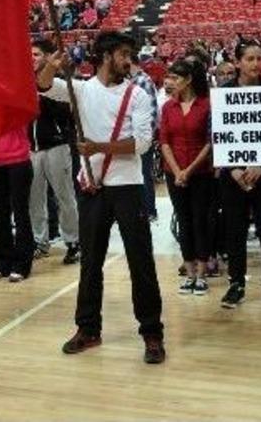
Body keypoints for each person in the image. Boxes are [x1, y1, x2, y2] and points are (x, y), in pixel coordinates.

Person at [37, 31, 164, 364]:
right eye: (123, 54)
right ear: (106, 56)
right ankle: (88, 329)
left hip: (128, 186)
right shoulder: (80, 89)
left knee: (141, 261)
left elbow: (141, 144)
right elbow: (45, 86)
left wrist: (98, 148)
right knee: (91, 261)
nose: (129, 60)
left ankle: (152, 333)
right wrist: (52, 65)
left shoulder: (136, 94)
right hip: (93, 186)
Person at [219, 40, 261, 313]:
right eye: (249, 58)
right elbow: (216, 133)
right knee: (234, 231)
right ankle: (236, 283)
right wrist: (232, 168)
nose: (256, 63)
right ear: (237, 62)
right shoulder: (223, 93)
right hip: (233, 176)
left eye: (259, 58)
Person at [160, 58, 213, 296]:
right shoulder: (167, 107)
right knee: (184, 221)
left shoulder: (207, 105)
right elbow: (164, 142)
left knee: (200, 220)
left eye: (176, 78)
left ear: (189, 79)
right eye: (170, 77)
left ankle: (202, 272)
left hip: (201, 172)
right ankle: (190, 272)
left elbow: (210, 142)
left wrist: (189, 170)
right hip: (174, 173)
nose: (171, 82)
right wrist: (177, 171)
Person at [30, 40, 79, 264]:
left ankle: (74, 241)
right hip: (31, 148)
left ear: (49, 57)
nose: (32, 57)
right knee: (34, 198)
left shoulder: (59, 84)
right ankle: (40, 241)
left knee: (64, 195)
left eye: (37, 54)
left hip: (56, 145)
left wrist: (41, 96)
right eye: (30, 53)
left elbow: (66, 116)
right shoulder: (23, 82)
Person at [0, 124, 35, 283]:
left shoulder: (18, 101)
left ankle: (22, 264)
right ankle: (2, 262)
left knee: (20, 213)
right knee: (0, 214)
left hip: (19, 160)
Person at [130, 53, 160, 221]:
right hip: (130, 140)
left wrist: (144, 139)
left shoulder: (143, 82)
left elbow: (152, 115)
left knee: (143, 175)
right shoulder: (131, 82)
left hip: (141, 139)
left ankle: (149, 211)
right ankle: (141, 210)